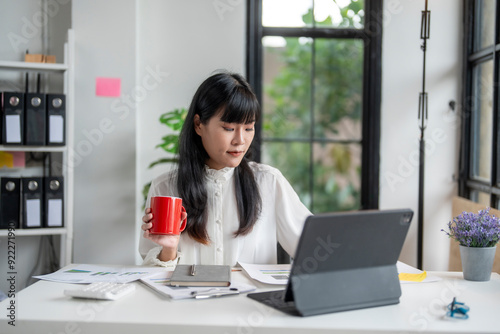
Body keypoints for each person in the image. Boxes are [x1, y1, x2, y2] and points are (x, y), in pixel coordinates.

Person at [139, 71, 311, 267]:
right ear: (198, 125)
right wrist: (168, 249)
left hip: (251, 298)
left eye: (249, 128)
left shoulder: (269, 182)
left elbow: (313, 248)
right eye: (229, 128)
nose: (240, 140)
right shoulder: (166, 188)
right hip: (187, 298)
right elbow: (151, 276)